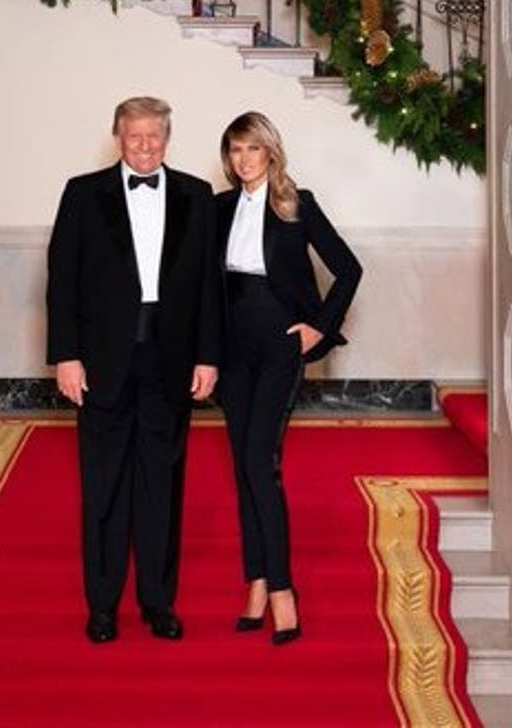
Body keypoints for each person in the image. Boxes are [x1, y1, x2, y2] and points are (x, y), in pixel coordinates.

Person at [47, 96, 221, 644]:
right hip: (100, 363)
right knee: (102, 487)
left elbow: (210, 290)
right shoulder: (82, 193)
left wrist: (208, 356)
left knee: (161, 488)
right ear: (118, 137)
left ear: (168, 139)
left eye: (154, 137)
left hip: (170, 362)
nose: (145, 147)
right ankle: (101, 606)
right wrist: (66, 357)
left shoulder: (198, 196)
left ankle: (157, 602)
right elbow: (61, 283)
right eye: (134, 137)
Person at [216, 111, 361, 645]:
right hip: (232, 352)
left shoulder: (298, 204)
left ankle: (281, 588)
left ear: (271, 153)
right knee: (241, 467)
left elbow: (349, 269)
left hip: (279, 346)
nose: (244, 160)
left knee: (260, 461)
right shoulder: (219, 209)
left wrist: (317, 329)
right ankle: (255, 580)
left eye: (253, 149)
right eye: (235, 151)